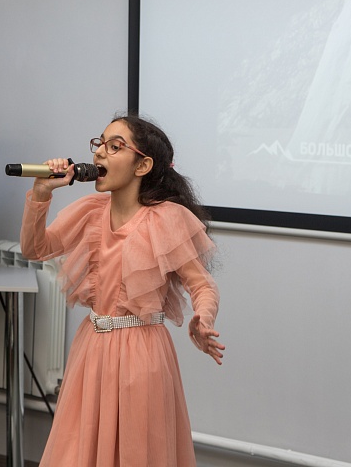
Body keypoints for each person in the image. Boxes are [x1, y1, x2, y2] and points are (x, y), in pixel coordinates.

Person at [20, 114, 225, 466]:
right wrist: (41, 194)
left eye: (115, 147)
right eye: (100, 143)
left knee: (135, 452)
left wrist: (203, 319)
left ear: (142, 165)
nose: (100, 153)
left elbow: (202, 285)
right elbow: (34, 249)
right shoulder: (90, 212)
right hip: (91, 348)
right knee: (78, 450)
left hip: (141, 354)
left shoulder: (166, 219)